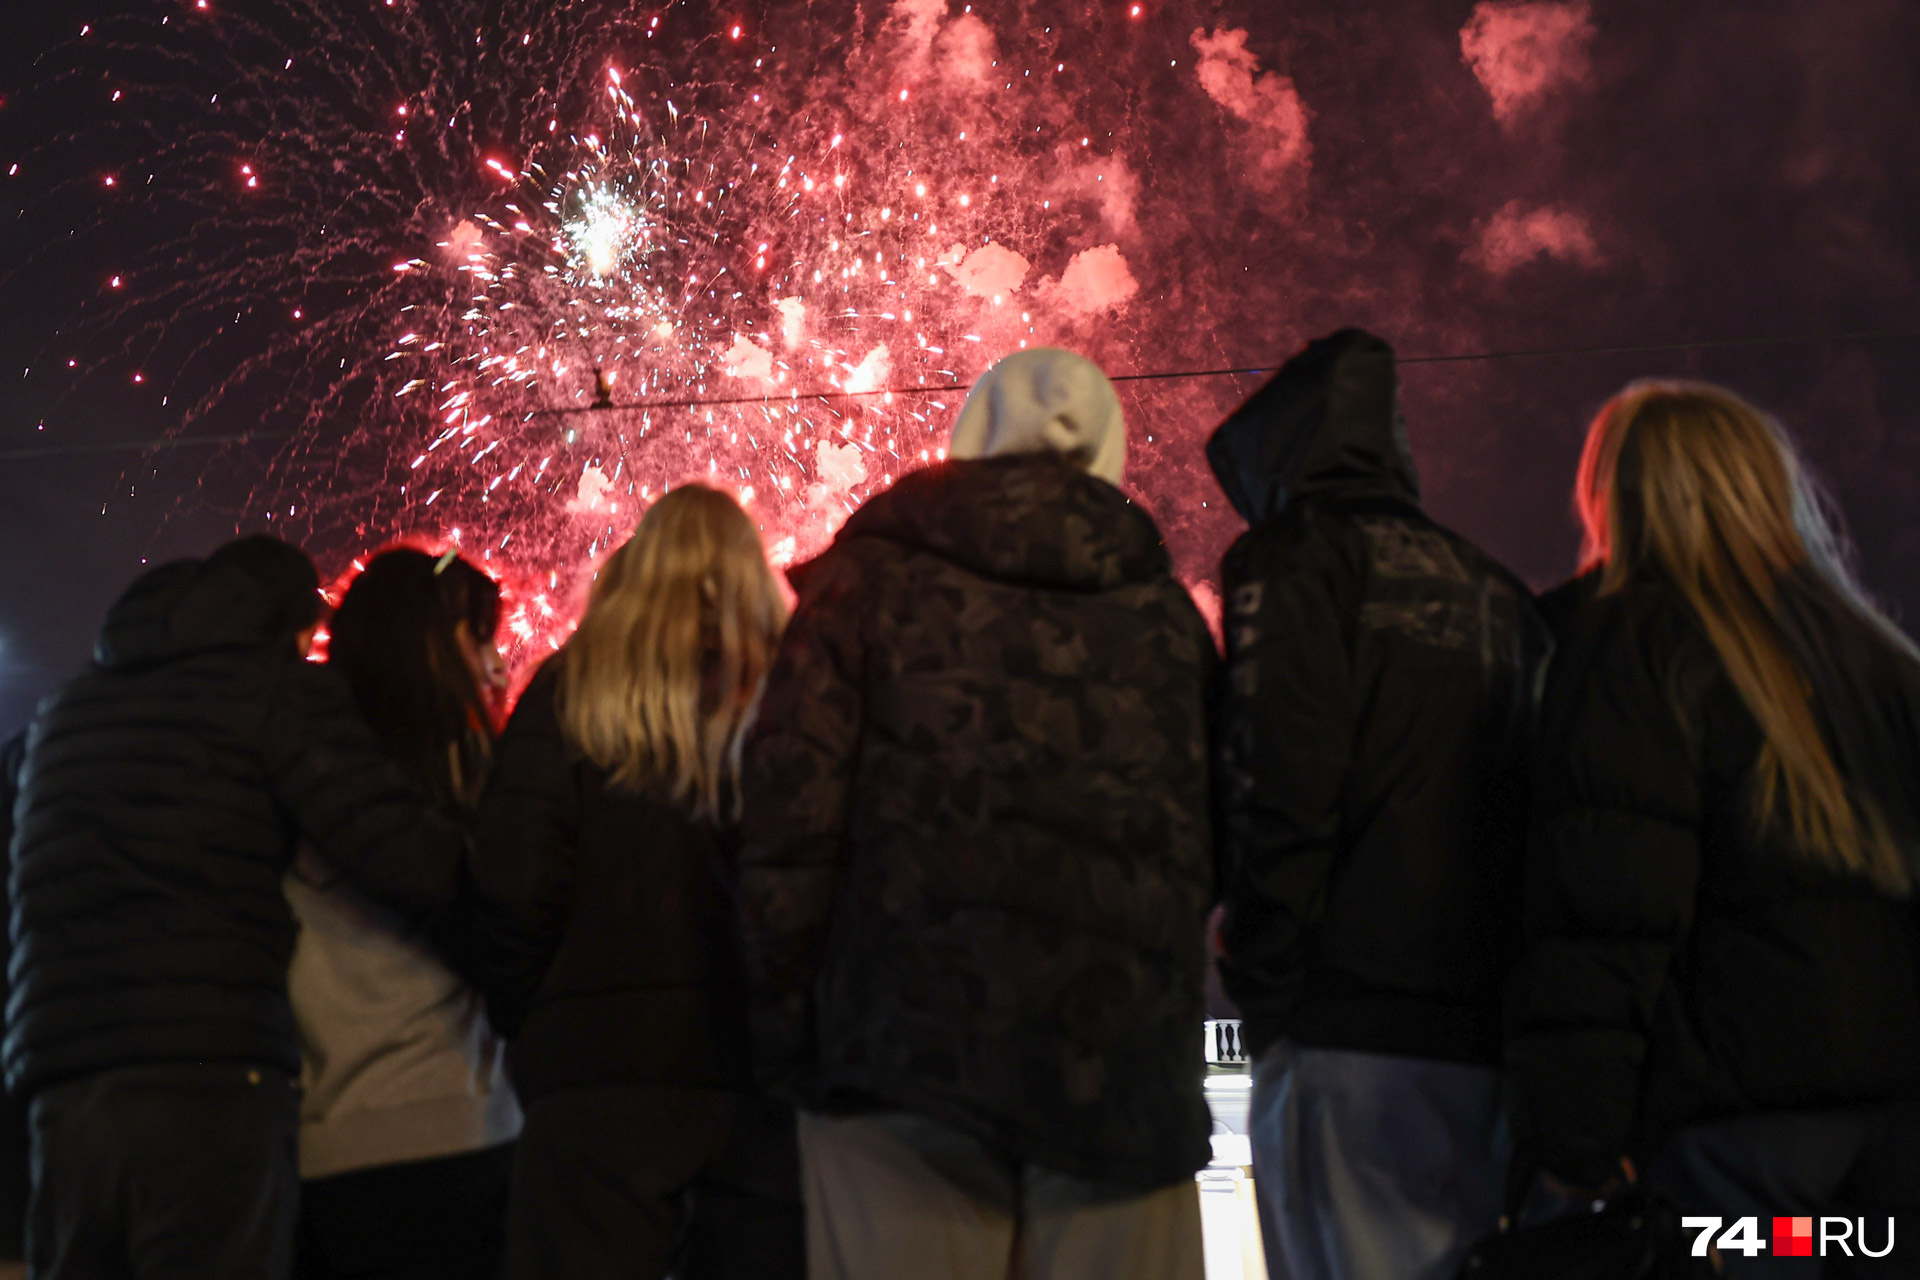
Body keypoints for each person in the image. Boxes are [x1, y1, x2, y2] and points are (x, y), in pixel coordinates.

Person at [738, 348, 1217, 1280]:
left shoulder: (860, 584)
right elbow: (1222, 831)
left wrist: (794, 1039)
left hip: (898, 1068)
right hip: (1118, 1076)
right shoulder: (1165, 616)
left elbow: (787, 824)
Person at [1510, 382, 1920, 1277]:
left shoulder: (1632, 646)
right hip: (1886, 1134)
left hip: (1736, 1139)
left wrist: (1576, 1139)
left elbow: (1611, 907)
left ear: (1618, 493)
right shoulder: (1877, 659)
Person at [6, 535, 467, 1280]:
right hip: (208, 1079)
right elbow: (392, 846)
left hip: (62, 1090)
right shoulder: (269, 689)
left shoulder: (65, 712)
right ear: (287, 623)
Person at [1207, 328, 1548, 1280]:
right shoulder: (1502, 593)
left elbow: (1280, 777)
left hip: (1345, 1029)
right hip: (1483, 1040)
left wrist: (1269, 986)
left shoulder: (1294, 558)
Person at [468, 486, 802, 1280]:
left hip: (592, 1079)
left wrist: (535, 1018)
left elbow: (513, 887)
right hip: (753, 1071)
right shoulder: (792, 692)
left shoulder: (566, 689)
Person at [287, 548, 521, 1280]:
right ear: (437, 639)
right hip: (463, 1125)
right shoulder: (474, 781)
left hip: (326, 1147)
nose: (495, 663)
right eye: (481, 638)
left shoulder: (288, 779)